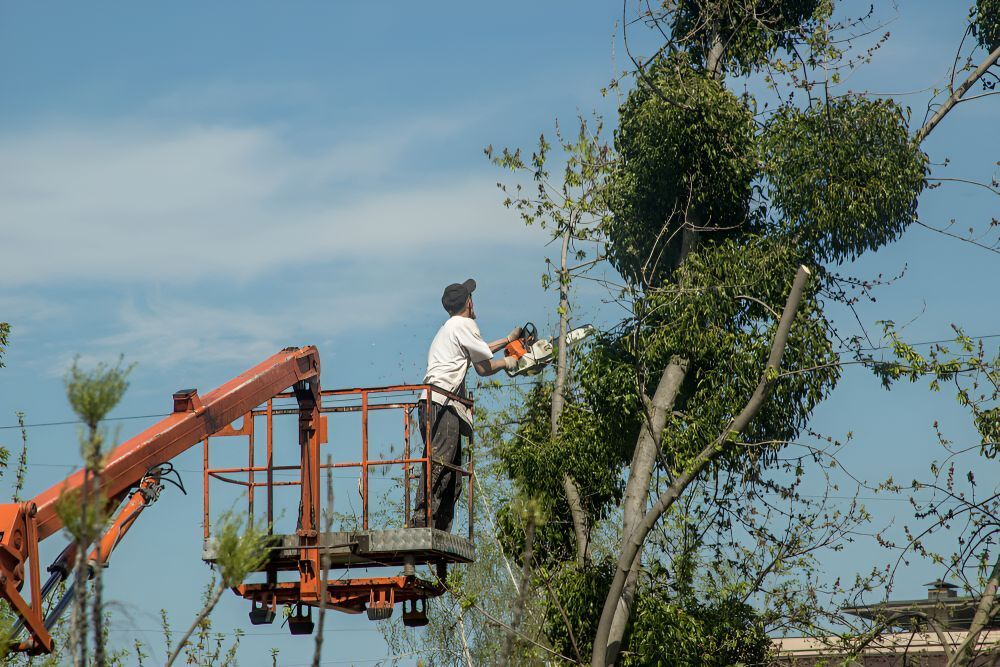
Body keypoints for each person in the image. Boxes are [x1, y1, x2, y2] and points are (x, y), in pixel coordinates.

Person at [411, 278, 521, 531]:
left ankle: (438, 524)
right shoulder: (465, 324)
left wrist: (507, 341)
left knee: (452, 472)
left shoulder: (450, 328)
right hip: (442, 402)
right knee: (440, 463)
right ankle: (421, 520)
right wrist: (509, 363)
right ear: (468, 303)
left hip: (432, 403)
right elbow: (483, 366)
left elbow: (479, 356)